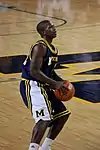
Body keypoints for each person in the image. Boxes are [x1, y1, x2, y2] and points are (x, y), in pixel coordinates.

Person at [20, 20, 71, 150]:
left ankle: (45, 147)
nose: (54, 28)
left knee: (63, 114)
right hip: (32, 86)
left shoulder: (53, 49)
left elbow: (49, 71)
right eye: (50, 27)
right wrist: (55, 84)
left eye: (53, 26)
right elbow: (34, 71)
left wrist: (62, 83)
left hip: (43, 86)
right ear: (43, 32)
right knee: (44, 119)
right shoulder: (40, 47)